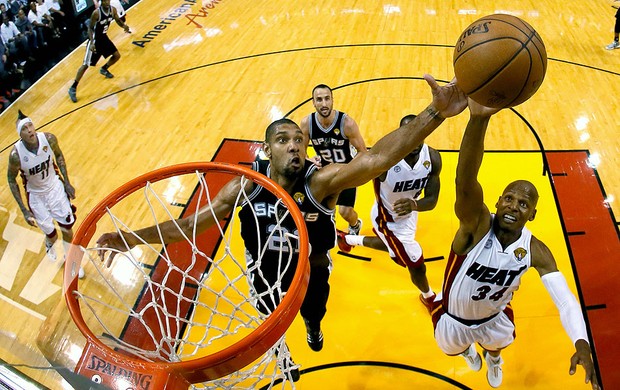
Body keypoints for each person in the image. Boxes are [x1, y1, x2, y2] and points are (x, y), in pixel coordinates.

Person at [96, 75, 467, 357]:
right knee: (268, 324)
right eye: (283, 140)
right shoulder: (246, 187)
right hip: (265, 273)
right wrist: (128, 239)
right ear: (267, 151)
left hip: (311, 269)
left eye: (298, 140)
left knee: (313, 314)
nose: (294, 145)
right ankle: (278, 347)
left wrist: (435, 113)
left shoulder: (319, 182)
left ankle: (311, 325)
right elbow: (191, 225)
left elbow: (375, 158)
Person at [429, 99, 599, 388]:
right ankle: (469, 351)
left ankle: (493, 359)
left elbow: (566, 301)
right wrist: (479, 119)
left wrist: (581, 342)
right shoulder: (476, 226)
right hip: (454, 319)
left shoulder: (536, 250)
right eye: (509, 198)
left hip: (495, 318)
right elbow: (464, 180)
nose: (514, 206)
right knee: (452, 350)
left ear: (532, 214)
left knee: (496, 345)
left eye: (523, 203)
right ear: (497, 202)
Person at [337, 113, 440, 312]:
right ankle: (428, 296)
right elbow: (353, 175)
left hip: (410, 215)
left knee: (394, 248)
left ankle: (347, 240)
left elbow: (432, 200)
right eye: (409, 134)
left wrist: (414, 205)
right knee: (414, 262)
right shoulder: (386, 161)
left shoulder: (432, 157)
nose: (415, 140)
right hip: (387, 219)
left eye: (420, 134)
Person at [7, 110, 83, 278]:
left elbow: (59, 156)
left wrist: (67, 182)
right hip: (36, 195)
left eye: (30, 125)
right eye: (25, 128)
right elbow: (11, 180)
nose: (29, 130)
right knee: (52, 234)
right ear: (21, 134)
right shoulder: (16, 155)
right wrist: (24, 210)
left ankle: (71, 260)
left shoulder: (48, 139)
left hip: (55, 187)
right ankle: (49, 243)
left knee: (67, 229)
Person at [299, 84, 366, 235]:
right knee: (323, 212)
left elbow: (363, 152)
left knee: (345, 212)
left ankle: (355, 224)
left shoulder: (346, 123)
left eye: (327, 99)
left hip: (345, 172)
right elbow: (301, 151)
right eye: (319, 99)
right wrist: (310, 161)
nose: (324, 104)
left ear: (332, 100)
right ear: (313, 102)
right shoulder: (306, 124)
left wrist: (352, 170)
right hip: (324, 173)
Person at [67, 0, 130, 103]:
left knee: (117, 55)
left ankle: (104, 69)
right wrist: (91, 42)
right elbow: (90, 28)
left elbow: (118, 20)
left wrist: (124, 26)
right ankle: (73, 88)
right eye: (104, 1)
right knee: (85, 65)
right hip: (95, 41)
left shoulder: (112, 10)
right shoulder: (96, 13)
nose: (106, 2)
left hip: (104, 38)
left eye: (108, 0)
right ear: (101, 2)